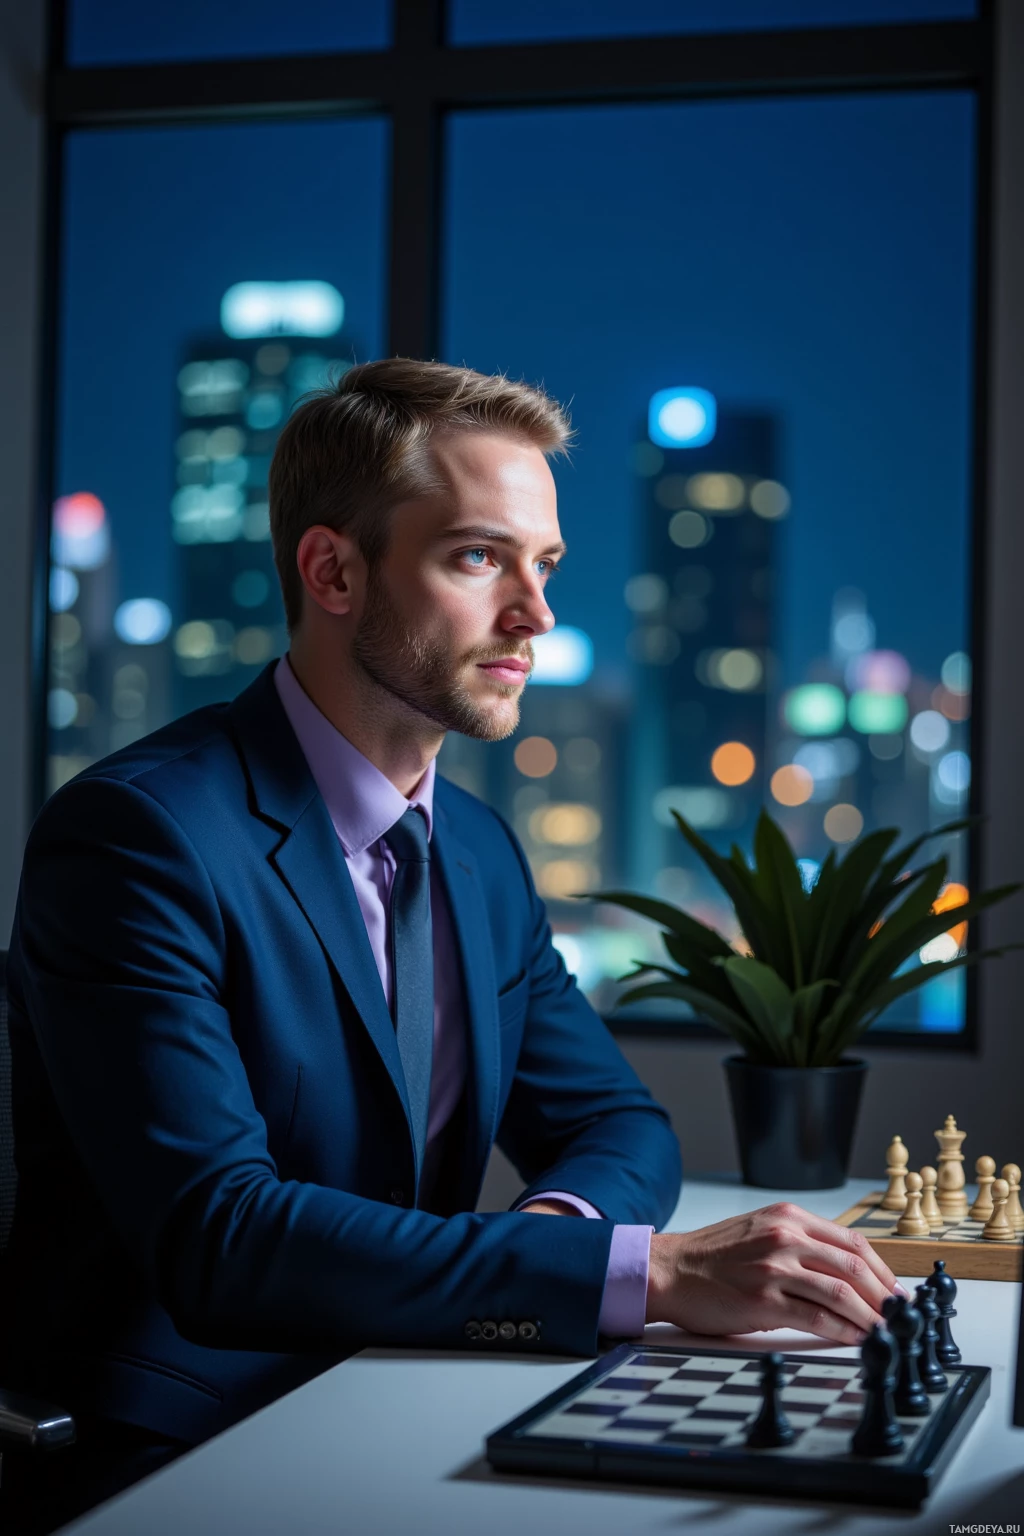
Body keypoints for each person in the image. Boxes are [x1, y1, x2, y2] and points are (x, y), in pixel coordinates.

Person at [2, 359, 899, 1527]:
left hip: (407, 1383)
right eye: (479, 557)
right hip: (180, 1445)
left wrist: (556, 1239)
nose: (535, 614)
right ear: (331, 569)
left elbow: (612, 1124)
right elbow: (221, 1237)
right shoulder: (137, 835)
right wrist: (649, 1272)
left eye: (546, 564)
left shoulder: (475, 848)